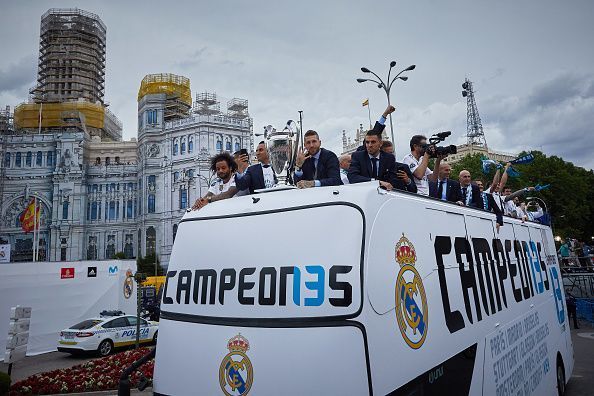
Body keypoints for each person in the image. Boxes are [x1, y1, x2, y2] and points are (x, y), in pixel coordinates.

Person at [347, 128, 417, 192]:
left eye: (373, 142)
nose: (369, 145)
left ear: (380, 143)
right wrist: (377, 182)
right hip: (364, 194)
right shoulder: (358, 156)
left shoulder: (389, 158)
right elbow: (352, 177)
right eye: (367, 142)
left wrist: (407, 181)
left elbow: (392, 180)